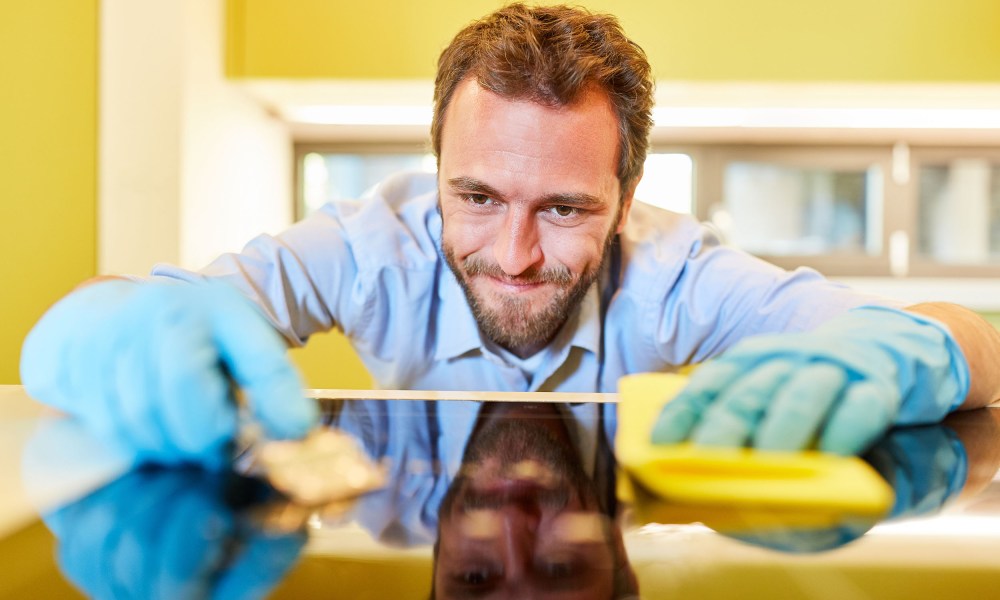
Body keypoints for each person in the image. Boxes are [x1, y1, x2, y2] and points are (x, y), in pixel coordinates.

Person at [20, 4, 1000, 466]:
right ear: (434, 168)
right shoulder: (370, 245)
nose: (515, 254)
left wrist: (927, 348)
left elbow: (972, 340)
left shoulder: (677, 272)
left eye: (565, 209)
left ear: (625, 196)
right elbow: (141, 308)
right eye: (477, 196)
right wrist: (93, 330)